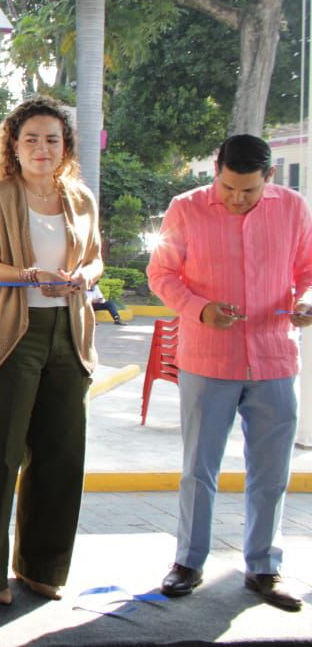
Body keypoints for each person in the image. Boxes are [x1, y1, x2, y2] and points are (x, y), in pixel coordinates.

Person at [148, 134, 312, 613]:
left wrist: (306, 300)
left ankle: (263, 566)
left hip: (275, 357)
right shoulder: (185, 208)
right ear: (217, 171)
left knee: (272, 471)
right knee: (199, 469)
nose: (237, 199)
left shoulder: (294, 209)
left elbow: (308, 270)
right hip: (208, 361)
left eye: (249, 191)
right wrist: (200, 309)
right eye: (228, 188)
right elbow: (161, 274)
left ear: (270, 178)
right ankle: (188, 562)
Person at [0, 97, 102, 606]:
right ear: (14, 146)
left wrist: (83, 276)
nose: (43, 149)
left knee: (60, 457)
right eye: (32, 139)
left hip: (70, 334)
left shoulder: (81, 198)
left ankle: (42, 568)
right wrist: (31, 276)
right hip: (14, 334)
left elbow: (95, 260)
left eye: (52, 140)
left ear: (65, 146)